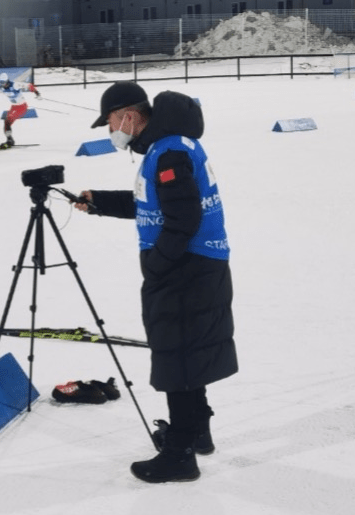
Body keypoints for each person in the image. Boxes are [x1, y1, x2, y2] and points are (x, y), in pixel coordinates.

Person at [74, 81, 237, 484]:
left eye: (111, 120)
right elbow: (156, 205)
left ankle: (179, 454)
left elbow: (182, 220)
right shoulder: (169, 147)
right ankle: (196, 431)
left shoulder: (170, 153)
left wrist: (158, 265)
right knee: (187, 352)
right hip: (195, 266)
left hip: (186, 269)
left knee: (176, 357)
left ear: (130, 115)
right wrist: (101, 202)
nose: (112, 129)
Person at [0, 72, 40, 148]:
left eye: (3, 82)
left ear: (7, 81)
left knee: (7, 121)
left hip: (21, 107)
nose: (2, 84)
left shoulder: (15, 85)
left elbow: (29, 85)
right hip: (13, 107)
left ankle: (10, 140)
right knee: (6, 123)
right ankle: (10, 139)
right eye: (1, 82)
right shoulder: (1, 87)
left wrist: (37, 93)